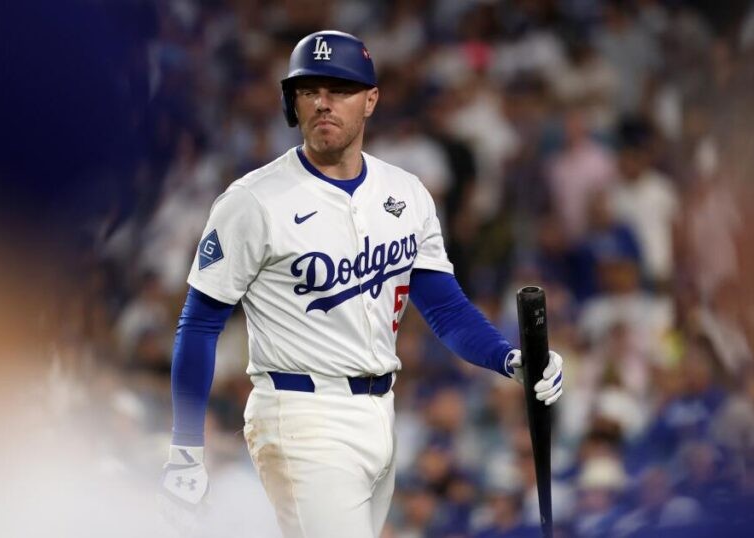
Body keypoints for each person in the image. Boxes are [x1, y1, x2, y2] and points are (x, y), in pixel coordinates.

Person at [159, 30, 565, 538]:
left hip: (380, 410)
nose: (322, 103)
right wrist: (185, 448)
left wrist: (509, 359)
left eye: (340, 89)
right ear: (292, 102)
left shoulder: (406, 193)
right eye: (309, 90)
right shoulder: (253, 200)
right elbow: (199, 323)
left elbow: (445, 309)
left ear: (371, 100)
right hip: (300, 414)